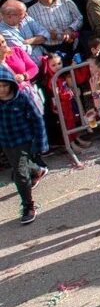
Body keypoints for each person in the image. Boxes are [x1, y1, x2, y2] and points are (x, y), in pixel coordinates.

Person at [0, 64, 47, 225]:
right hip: (6, 140)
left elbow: (37, 118)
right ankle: (37, 169)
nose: (2, 90)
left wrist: (41, 143)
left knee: (19, 173)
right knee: (21, 165)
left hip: (23, 139)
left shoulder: (22, 97)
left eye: (4, 85)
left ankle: (28, 206)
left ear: (10, 84)